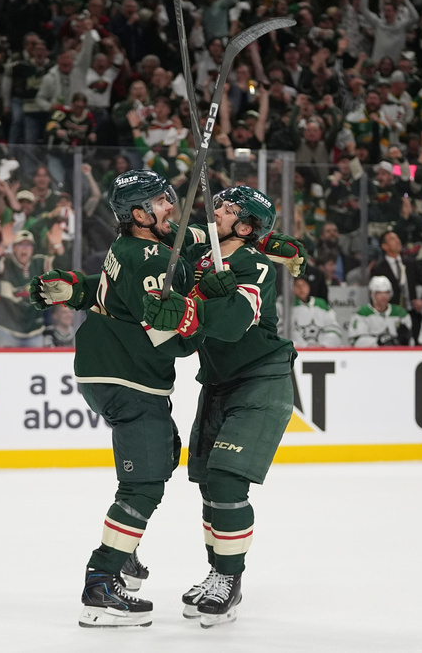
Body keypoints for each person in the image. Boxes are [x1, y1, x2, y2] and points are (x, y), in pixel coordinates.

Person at [28, 170, 202, 628]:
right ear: (140, 215)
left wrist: (78, 288)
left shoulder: (138, 246)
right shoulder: (151, 258)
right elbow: (172, 339)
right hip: (128, 378)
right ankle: (102, 583)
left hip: (112, 371)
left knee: (163, 454)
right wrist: (201, 314)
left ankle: (124, 553)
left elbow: (114, 296)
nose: (172, 207)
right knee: (143, 483)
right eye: (162, 202)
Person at [140, 186, 297, 628]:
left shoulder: (253, 262)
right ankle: (217, 574)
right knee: (209, 483)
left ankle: (229, 579)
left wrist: (197, 308)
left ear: (244, 227)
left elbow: (232, 324)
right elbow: (172, 234)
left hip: (261, 379)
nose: (218, 210)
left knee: (228, 480)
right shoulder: (201, 260)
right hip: (218, 383)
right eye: (220, 204)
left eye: (228, 209)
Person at [349, 276, 413, 347]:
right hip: (371, 355)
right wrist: (377, 341)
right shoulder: (362, 313)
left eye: (386, 292)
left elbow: (411, 342)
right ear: (371, 294)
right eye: (379, 293)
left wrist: (405, 340)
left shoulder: (401, 313)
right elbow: (356, 342)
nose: (384, 296)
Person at [290, 274, 344, 347]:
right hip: (298, 351)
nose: (301, 288)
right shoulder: (287, 306)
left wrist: (324, 345)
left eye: (303, 285)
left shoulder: (321, 304)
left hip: (322, 349)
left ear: (309, 286)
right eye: (297, 286)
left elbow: (333, 328)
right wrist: (303, 346)